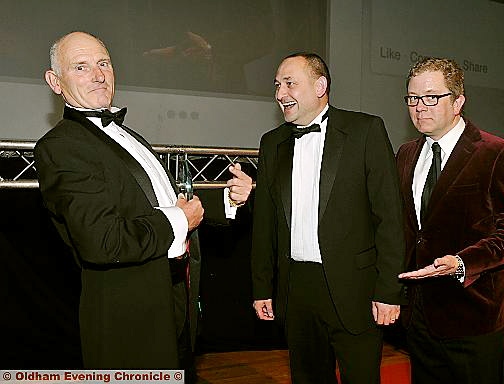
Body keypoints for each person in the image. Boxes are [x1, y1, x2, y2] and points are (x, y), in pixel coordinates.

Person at [34, 31, 252, 371]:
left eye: (103, 63)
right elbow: (102, 241)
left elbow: (155, 201)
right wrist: (182, 220)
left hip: (171, 298)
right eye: (81, 67)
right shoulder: (61, 146)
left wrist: (224, 198)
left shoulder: (129, 136)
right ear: (54, 81)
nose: (98, 75)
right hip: (130, 316)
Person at [250, 52, 405, 383]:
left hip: (357, 292)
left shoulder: (365, 130)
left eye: (290, 83)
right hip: (296, 293)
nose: (280, 94)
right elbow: (265, 223)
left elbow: (389, 219)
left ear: (320, 85)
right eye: (277, 85)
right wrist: (262, 286)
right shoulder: (272, 143)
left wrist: (389, 291)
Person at [396, 57, 504, 384]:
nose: (419, 107)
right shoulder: (405, 154)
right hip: (419, 318)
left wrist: (461, 263)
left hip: (473, 315)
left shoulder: (498, 152)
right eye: (412, 98)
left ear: (458, 101)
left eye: (431, 97)